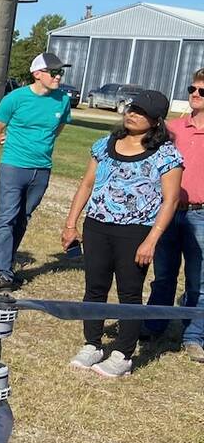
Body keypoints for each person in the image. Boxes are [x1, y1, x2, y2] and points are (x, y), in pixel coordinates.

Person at [63, 90, 182, 378]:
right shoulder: (105, 145)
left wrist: (152, 239)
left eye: (141, 112)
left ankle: (123, 355)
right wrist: (70, 223)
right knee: (94, 288)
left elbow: (171, 200)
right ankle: (92, 344)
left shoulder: (167, 155)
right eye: (132, 108)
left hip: (136, 232)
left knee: (129, 293)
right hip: (98, 226)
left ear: (156, 121)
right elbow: (87, 184)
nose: (132, 114)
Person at [0, 52, 75, 291]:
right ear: (37, 74)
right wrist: (12, 144)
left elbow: (58, 129)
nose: (58, 77)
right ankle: (1, 272)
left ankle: (5, 265)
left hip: (42, 170)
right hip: (14, 167)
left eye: (60, 72)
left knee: (23, 218)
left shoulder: (63, 100)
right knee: (6, 217)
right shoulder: (15, 98)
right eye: (53, 72)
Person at [144, 68, 204, 362]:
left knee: (199, 280)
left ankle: (193, 336)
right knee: (163, 274)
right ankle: (153, 325)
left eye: (201, 92)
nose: (195, 95)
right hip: (167, 212)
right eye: (192, 89)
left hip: (200, 215)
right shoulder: (173, 129)